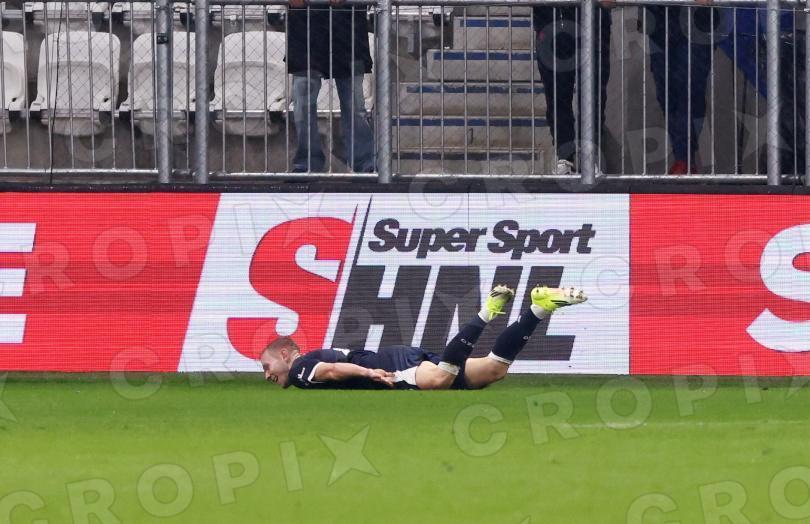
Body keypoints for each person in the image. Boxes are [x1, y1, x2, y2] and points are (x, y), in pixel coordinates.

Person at [260, 285, 588, 390]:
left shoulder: (300, 368)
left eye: (267, 365)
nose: (266, 375)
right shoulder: (307, 360)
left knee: (440, 379)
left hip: (390, 366)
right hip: (396, 357)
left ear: (286, 354)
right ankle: (539, 308)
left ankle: (487, 312)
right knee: (493, 370)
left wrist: (369, 373)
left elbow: (332, 371)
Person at [287, 0, 375, 173]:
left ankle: (364, 162)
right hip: (306, 31)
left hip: (348, 30)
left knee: (354, 104)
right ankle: (307, 162)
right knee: (302, 104)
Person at [533, 3, 613, 175]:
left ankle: (589, 155)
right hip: (551, 24)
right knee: (557, 95)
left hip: (593, 25)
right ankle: (564, 156)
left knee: (593, 94)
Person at [644, 3, 715, 174]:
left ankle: (684, 158)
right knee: (666, 94)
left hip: (697, 22)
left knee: (690, 90)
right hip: (659, 23)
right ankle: (683, 157)